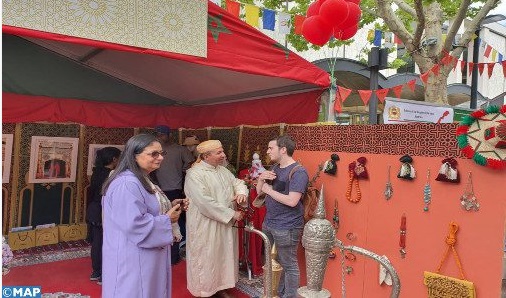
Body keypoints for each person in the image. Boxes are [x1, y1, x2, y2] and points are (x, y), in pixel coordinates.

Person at [101, 134, 187, 298]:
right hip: (133, 257)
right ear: (134, 155)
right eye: (154, 153)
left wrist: (171, 205)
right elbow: (135, 225)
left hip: (145, 255)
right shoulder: (127, 184)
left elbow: (147, 207)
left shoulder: (141, 179)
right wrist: (167, 220)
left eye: (161, 153)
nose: (160, 157)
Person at [184, 140, 248, 297]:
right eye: (219, 152)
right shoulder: (195, 174)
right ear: (206, 156)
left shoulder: (222, 170)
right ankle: (206, 291)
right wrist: (232, 214)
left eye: (222, 151)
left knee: (222, 256)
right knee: (207, 258)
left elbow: (238, 182)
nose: (223, 155)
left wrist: (241, 192)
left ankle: (219, 288)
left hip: (223, 225)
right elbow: (205, 203)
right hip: (206, 225)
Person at [256, 135, 309, 298]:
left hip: (287, 226)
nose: (267, 151)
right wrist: (260, 179)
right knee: (273, 263)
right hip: (270, 223)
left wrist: (269, 190)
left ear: (283, 149)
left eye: (271, 148)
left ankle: (290, 295)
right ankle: (276, 293)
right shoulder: (274, 168)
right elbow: (260, 193)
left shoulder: (298, 172)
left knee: (288, 264)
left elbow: (292, 201)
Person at [153, 125, 195, 264]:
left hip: (174, 189)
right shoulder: (154, 150)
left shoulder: (179, 149)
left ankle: (174, 254)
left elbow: (190, 164)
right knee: (160, 219)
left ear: (169, 135)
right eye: (157, 134)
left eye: (162, 134)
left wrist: (183, 172)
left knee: (174, 221)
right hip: (157, 189)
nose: (159, 136)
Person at [86, 146, 121, 285]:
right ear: (114, 159)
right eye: (119, 158)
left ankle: (96, 271)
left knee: (97, 242)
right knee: (106, 243)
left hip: (94, 209)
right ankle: (104, 274)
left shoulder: (97, 172)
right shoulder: (111, 175)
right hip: (103, 210)